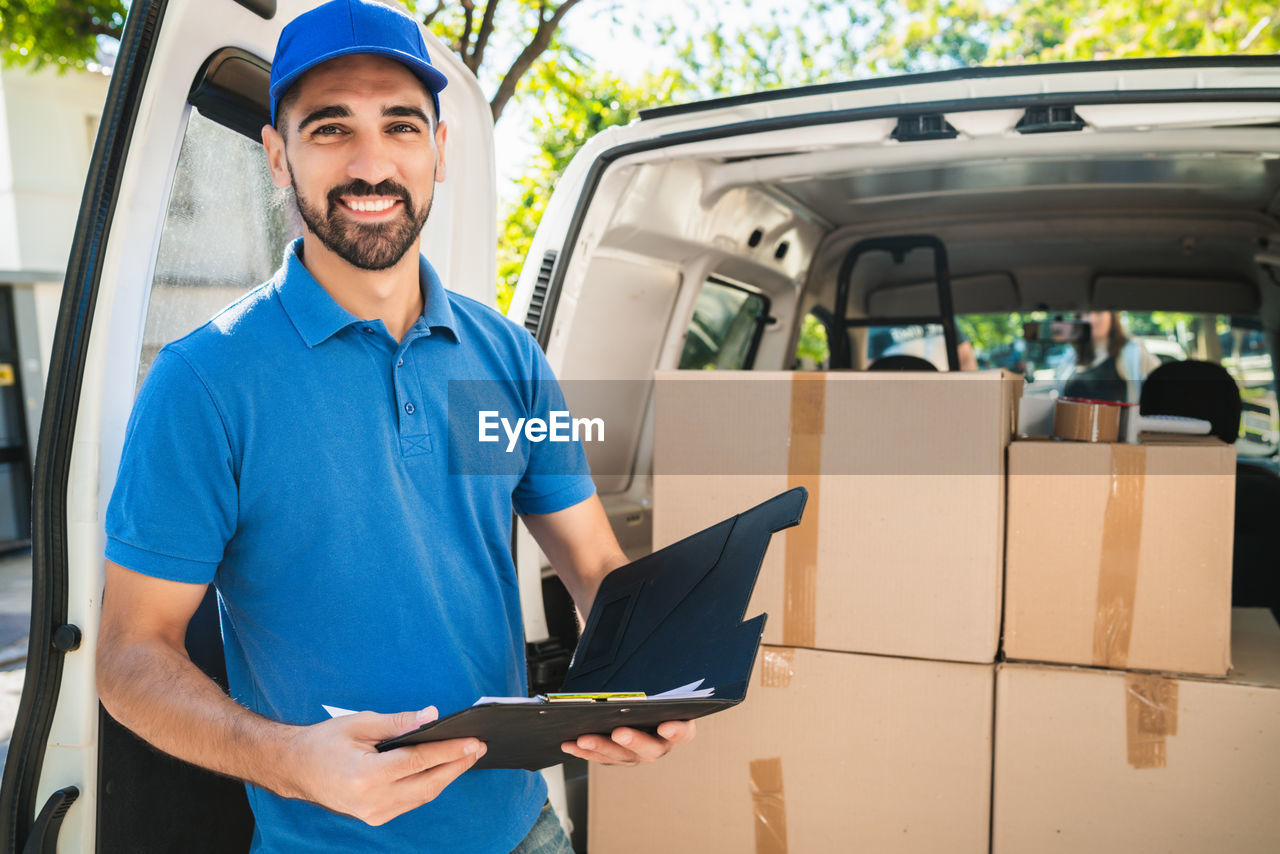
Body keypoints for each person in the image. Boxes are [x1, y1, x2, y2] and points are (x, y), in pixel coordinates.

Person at [94, 2, 694, 852]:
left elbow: (595, 564)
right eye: (331, 128)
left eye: (401, 126)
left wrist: (649, 674)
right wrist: (291, 761)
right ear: (278, 155)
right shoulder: (206, 383)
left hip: (524, 833)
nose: (372, 164)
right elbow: (128, 656)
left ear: (438, 151)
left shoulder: (506, 358)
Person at [1063, 310, 1160, 402]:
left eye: (1099, 312)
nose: (1092, 319)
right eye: (1087, 313)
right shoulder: (1071, 356)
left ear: (1112, 315)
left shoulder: (1132, 352)